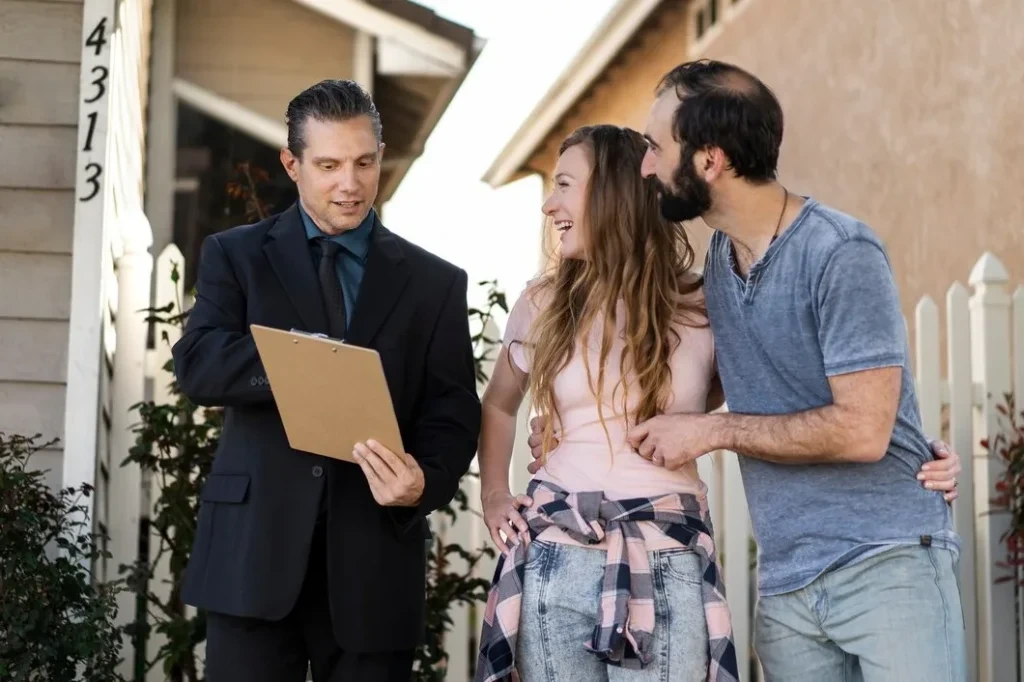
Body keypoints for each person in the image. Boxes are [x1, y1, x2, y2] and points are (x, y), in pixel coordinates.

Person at [528, 60, 965, 681]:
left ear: (709, 161)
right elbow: (684, 401)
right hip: (786, 585)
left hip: (886, 565)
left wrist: (717, 432)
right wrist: (568, 428)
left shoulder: (839, 252)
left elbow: (864, 430)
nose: (646, 165)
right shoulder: (720, 274)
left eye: (656, 147)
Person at [172, 79, 481, 682]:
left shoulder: (434, 282)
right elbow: (199, 362)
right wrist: (298, 363)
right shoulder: (235, 255)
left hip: (373, 565)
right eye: (330, 164)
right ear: (292, 164)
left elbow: (452, 408)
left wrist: (424, 480)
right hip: (252, 559)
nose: (351, 182)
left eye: (364, 162)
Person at [475, 124, 737, 682]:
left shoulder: (703, 300)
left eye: (564, 185)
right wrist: (494, 493)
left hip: (665, 554)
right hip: (555, 554)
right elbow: (499, 404)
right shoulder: (542, 303)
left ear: (616, 193)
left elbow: (752, 395)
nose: (550, 205)